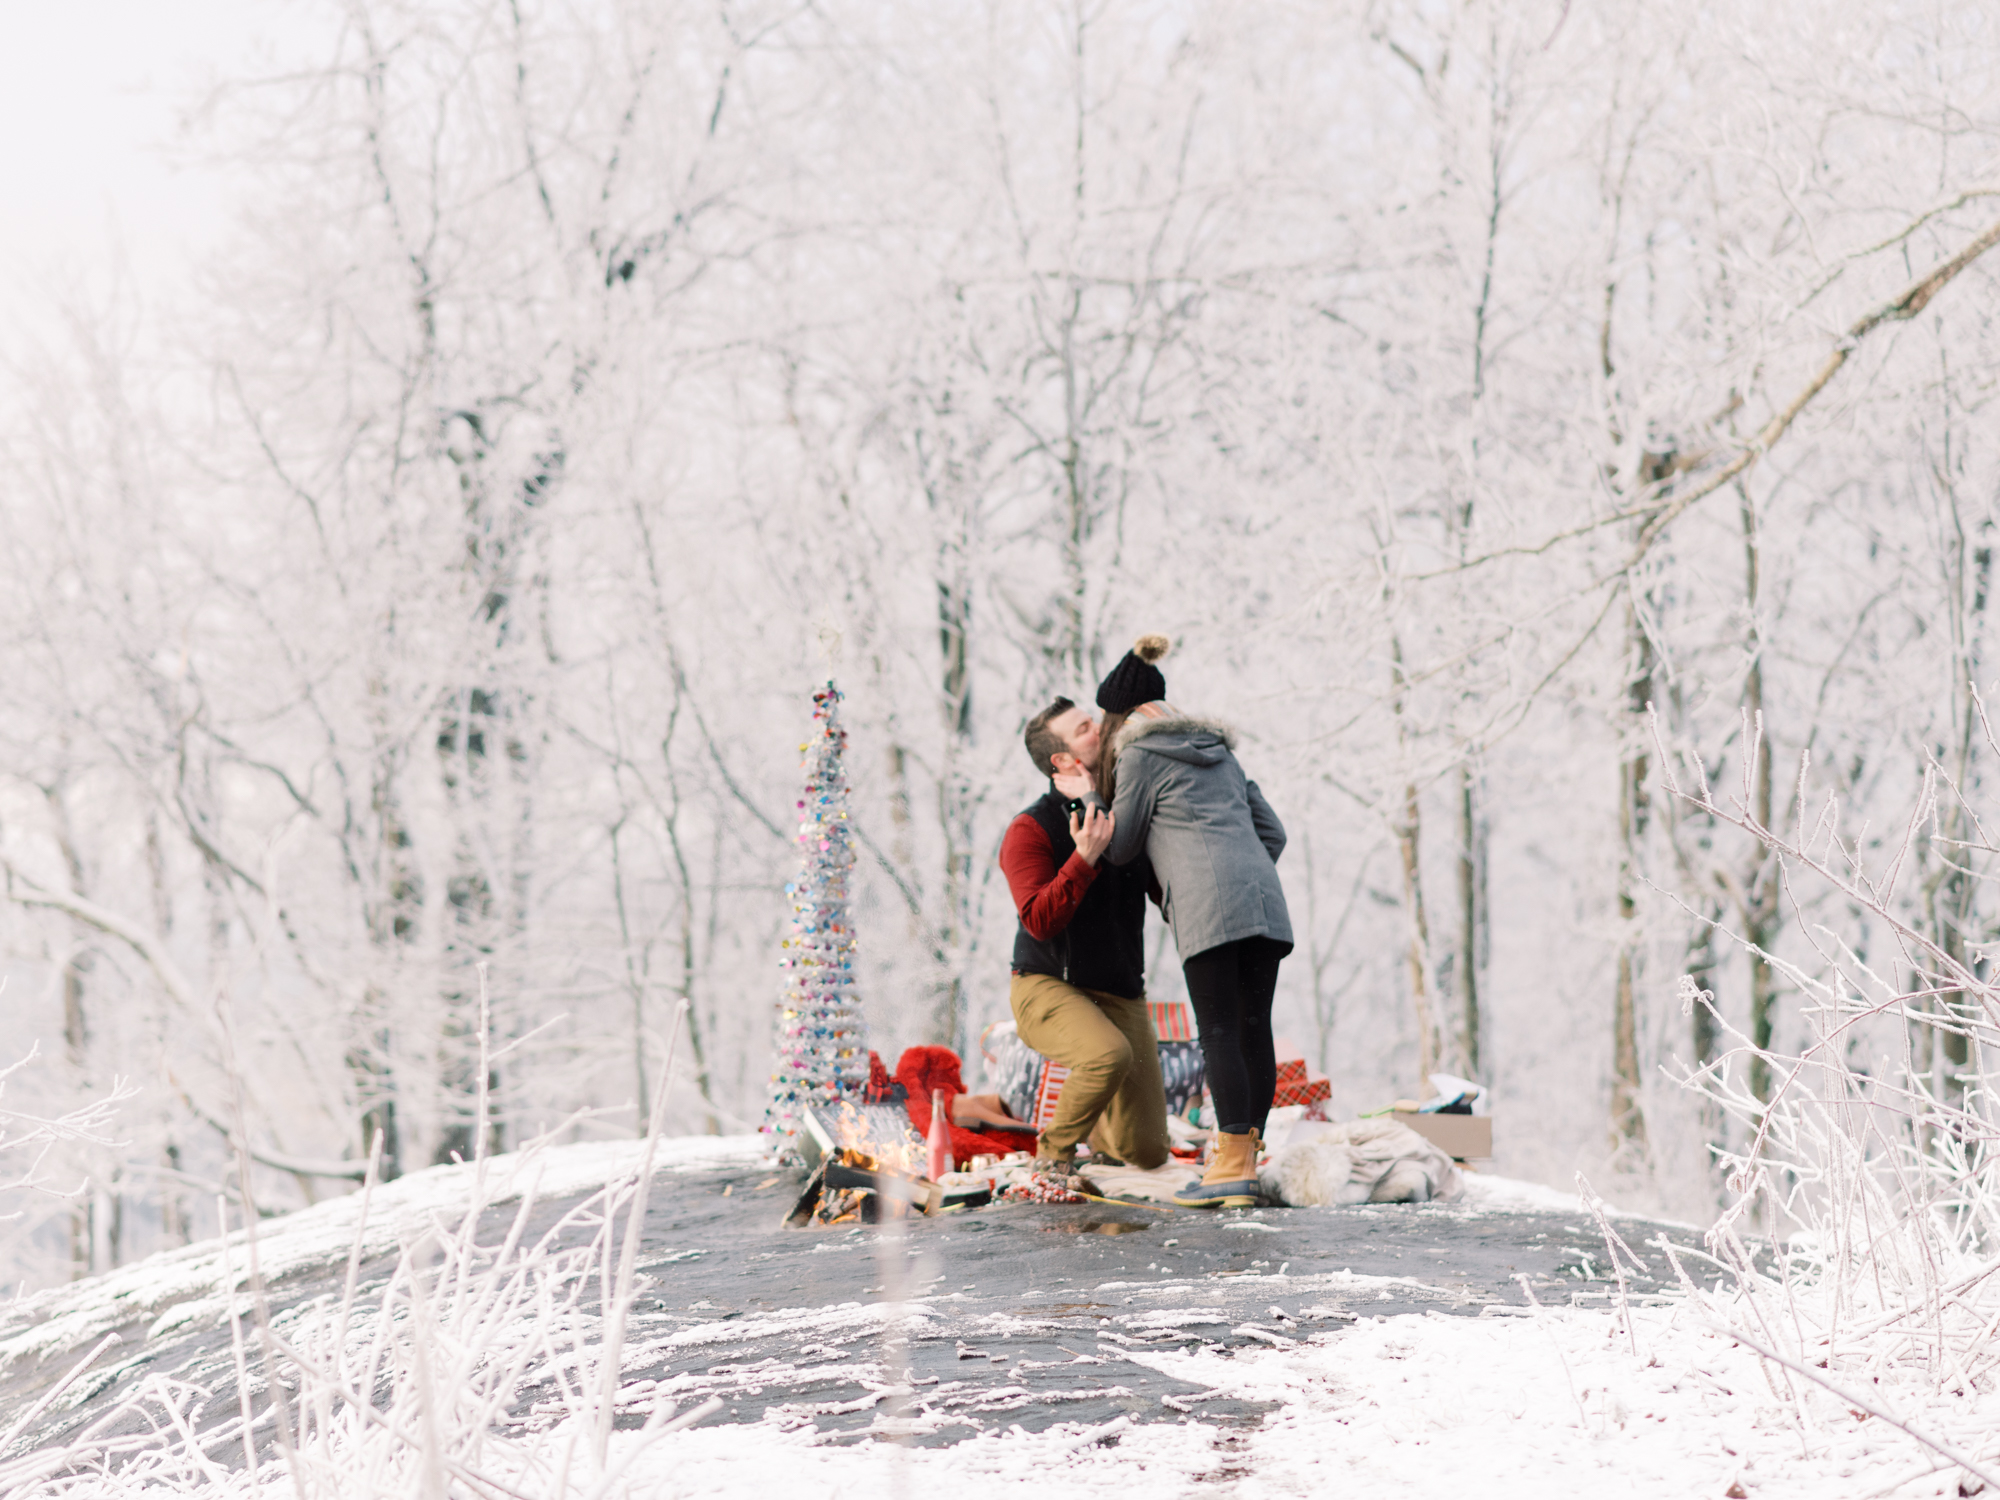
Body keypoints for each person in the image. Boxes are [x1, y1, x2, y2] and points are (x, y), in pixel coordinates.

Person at [1065, 634, 1291, 1209]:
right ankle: (1242, 1160)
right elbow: (1274, 833)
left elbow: (1120, 847)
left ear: (1121, 717)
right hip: (1265, 901)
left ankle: (1231, 1167)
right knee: (1253, 1027)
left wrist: (1092, 798)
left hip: (1207, 906)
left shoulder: (1140, 755)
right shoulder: (1222, 751)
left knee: (1217, 1030)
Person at [996, 696, 1171, 1182]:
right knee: (1106, 1054)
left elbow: (1161, 890)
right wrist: (1084, 858)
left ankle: (1098, 1130)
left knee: (1148, 1152)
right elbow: (1038, 921)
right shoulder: (1029, 829)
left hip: (1119, 992)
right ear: (1063, 760)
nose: (1099, 729)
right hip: (1047, 985)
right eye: (1084, 728)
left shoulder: (1124, 811)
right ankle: (1052, 1154)